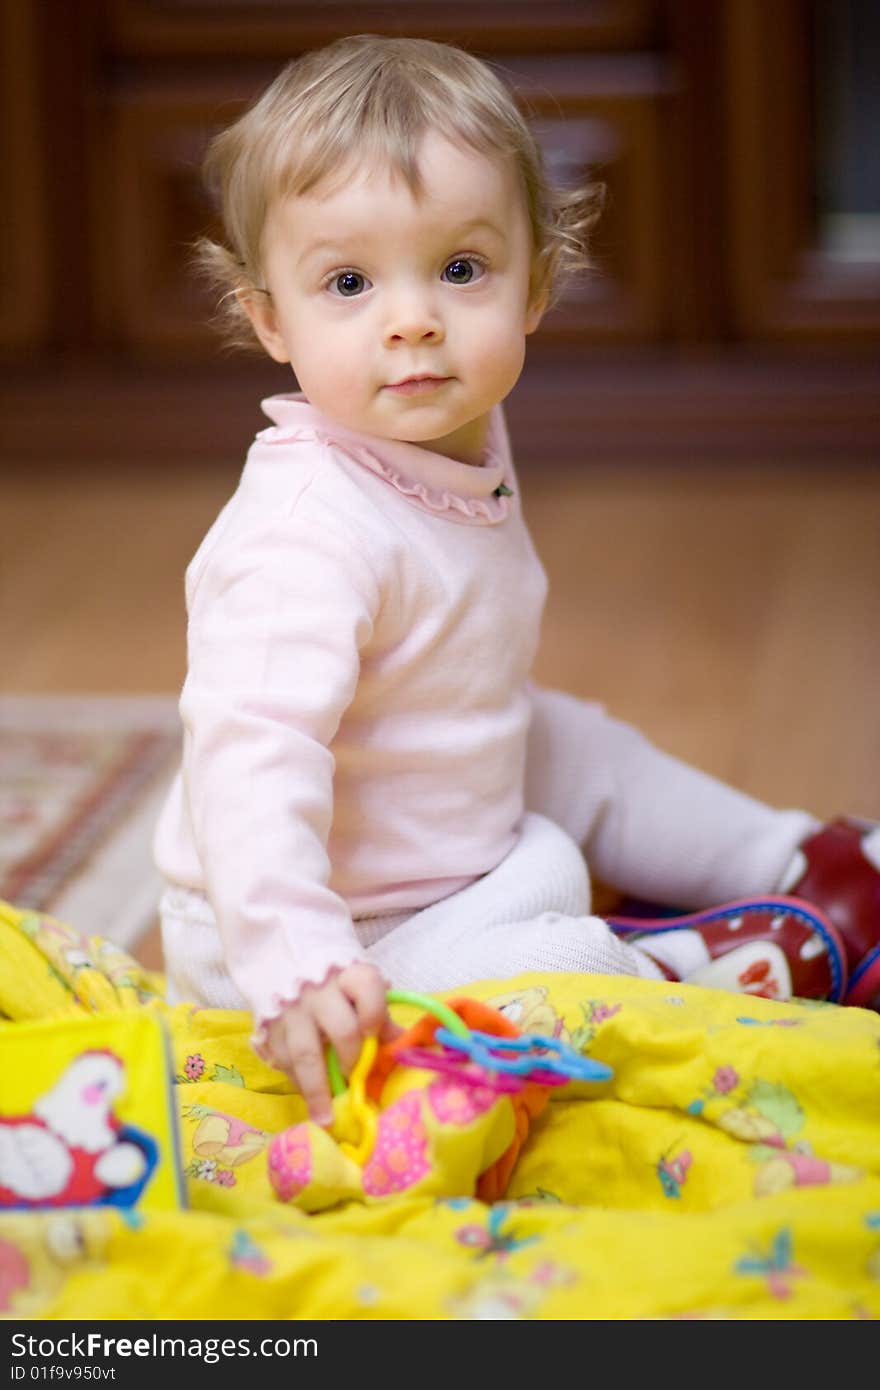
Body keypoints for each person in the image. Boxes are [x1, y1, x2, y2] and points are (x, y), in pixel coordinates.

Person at [153, 34, 880, 1125]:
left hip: (444, 809)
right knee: (546, 970)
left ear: (535, 284)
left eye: (458, 269)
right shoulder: (299, 538)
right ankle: (685, 973)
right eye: (347, 282)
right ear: (269, 320)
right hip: (343, 935)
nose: (412, 318)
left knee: (577, 744)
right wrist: (297, 961)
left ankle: (797, 854)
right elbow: (249, 761)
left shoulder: (449, 428)